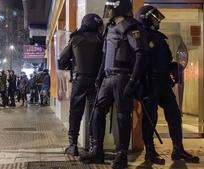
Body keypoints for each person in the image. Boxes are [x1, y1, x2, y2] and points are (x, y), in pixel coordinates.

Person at [80, 1, 148, 168]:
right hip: (107, 78)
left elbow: (141, 53)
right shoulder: (110, 28)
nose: (109, 9)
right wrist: (99, 76)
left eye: (112, 5)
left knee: (123, 117)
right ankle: (97, 151)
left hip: (123, 77)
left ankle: (122, 155)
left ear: (120, 7)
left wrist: (133, 81)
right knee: (97, 113)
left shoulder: (132, 27)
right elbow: (105, 56)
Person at [135, 5, 199, 164]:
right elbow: (139, 61)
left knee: (174, 114)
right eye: (154, 17)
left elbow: (165, 60)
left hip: (163, 83)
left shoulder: (158, 37)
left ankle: (178, 150)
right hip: (150, 82)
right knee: (151, 117)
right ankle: (150, 152)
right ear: (146, 18)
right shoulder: (140, 36)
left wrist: (174, 70)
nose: (157, 21)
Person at [58, 13, 104, 157]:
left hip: (79, 81)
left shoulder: (75, 39)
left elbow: (61, 61)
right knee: (95, 114)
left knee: (75, 113)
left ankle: (73, 146)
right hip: (96, 82)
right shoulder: (101, 40)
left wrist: (72, 63)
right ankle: (94, 147)